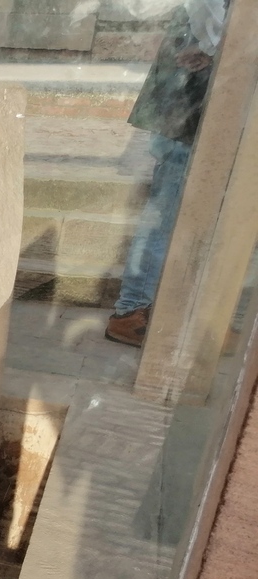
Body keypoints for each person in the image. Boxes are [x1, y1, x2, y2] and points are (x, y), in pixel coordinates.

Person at [105, 0, 226, 348]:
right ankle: (131, 311)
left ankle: (147, 310)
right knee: (164, 209)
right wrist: (212, 48)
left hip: (203, 89)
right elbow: (209, 15)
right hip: (193, 92)